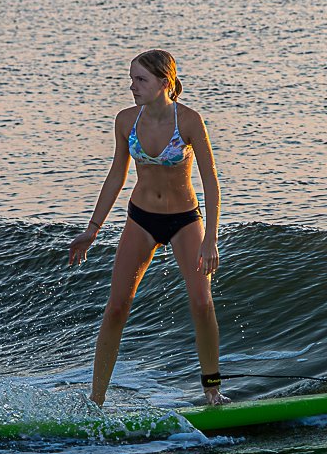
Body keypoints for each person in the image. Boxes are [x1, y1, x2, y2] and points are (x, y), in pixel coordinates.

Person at [67, 49, 223, 406]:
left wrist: (210, 239)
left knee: (201, 303)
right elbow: (117, 174)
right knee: (117, 307)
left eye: (140, 80)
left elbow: (211, 183)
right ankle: (96, 399)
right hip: (141, 217)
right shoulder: (125, 121)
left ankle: (212, 389)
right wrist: (93, 228)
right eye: (132, 79)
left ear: (164, 83)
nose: (132, 87)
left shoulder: (189, 122)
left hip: (185, 220)